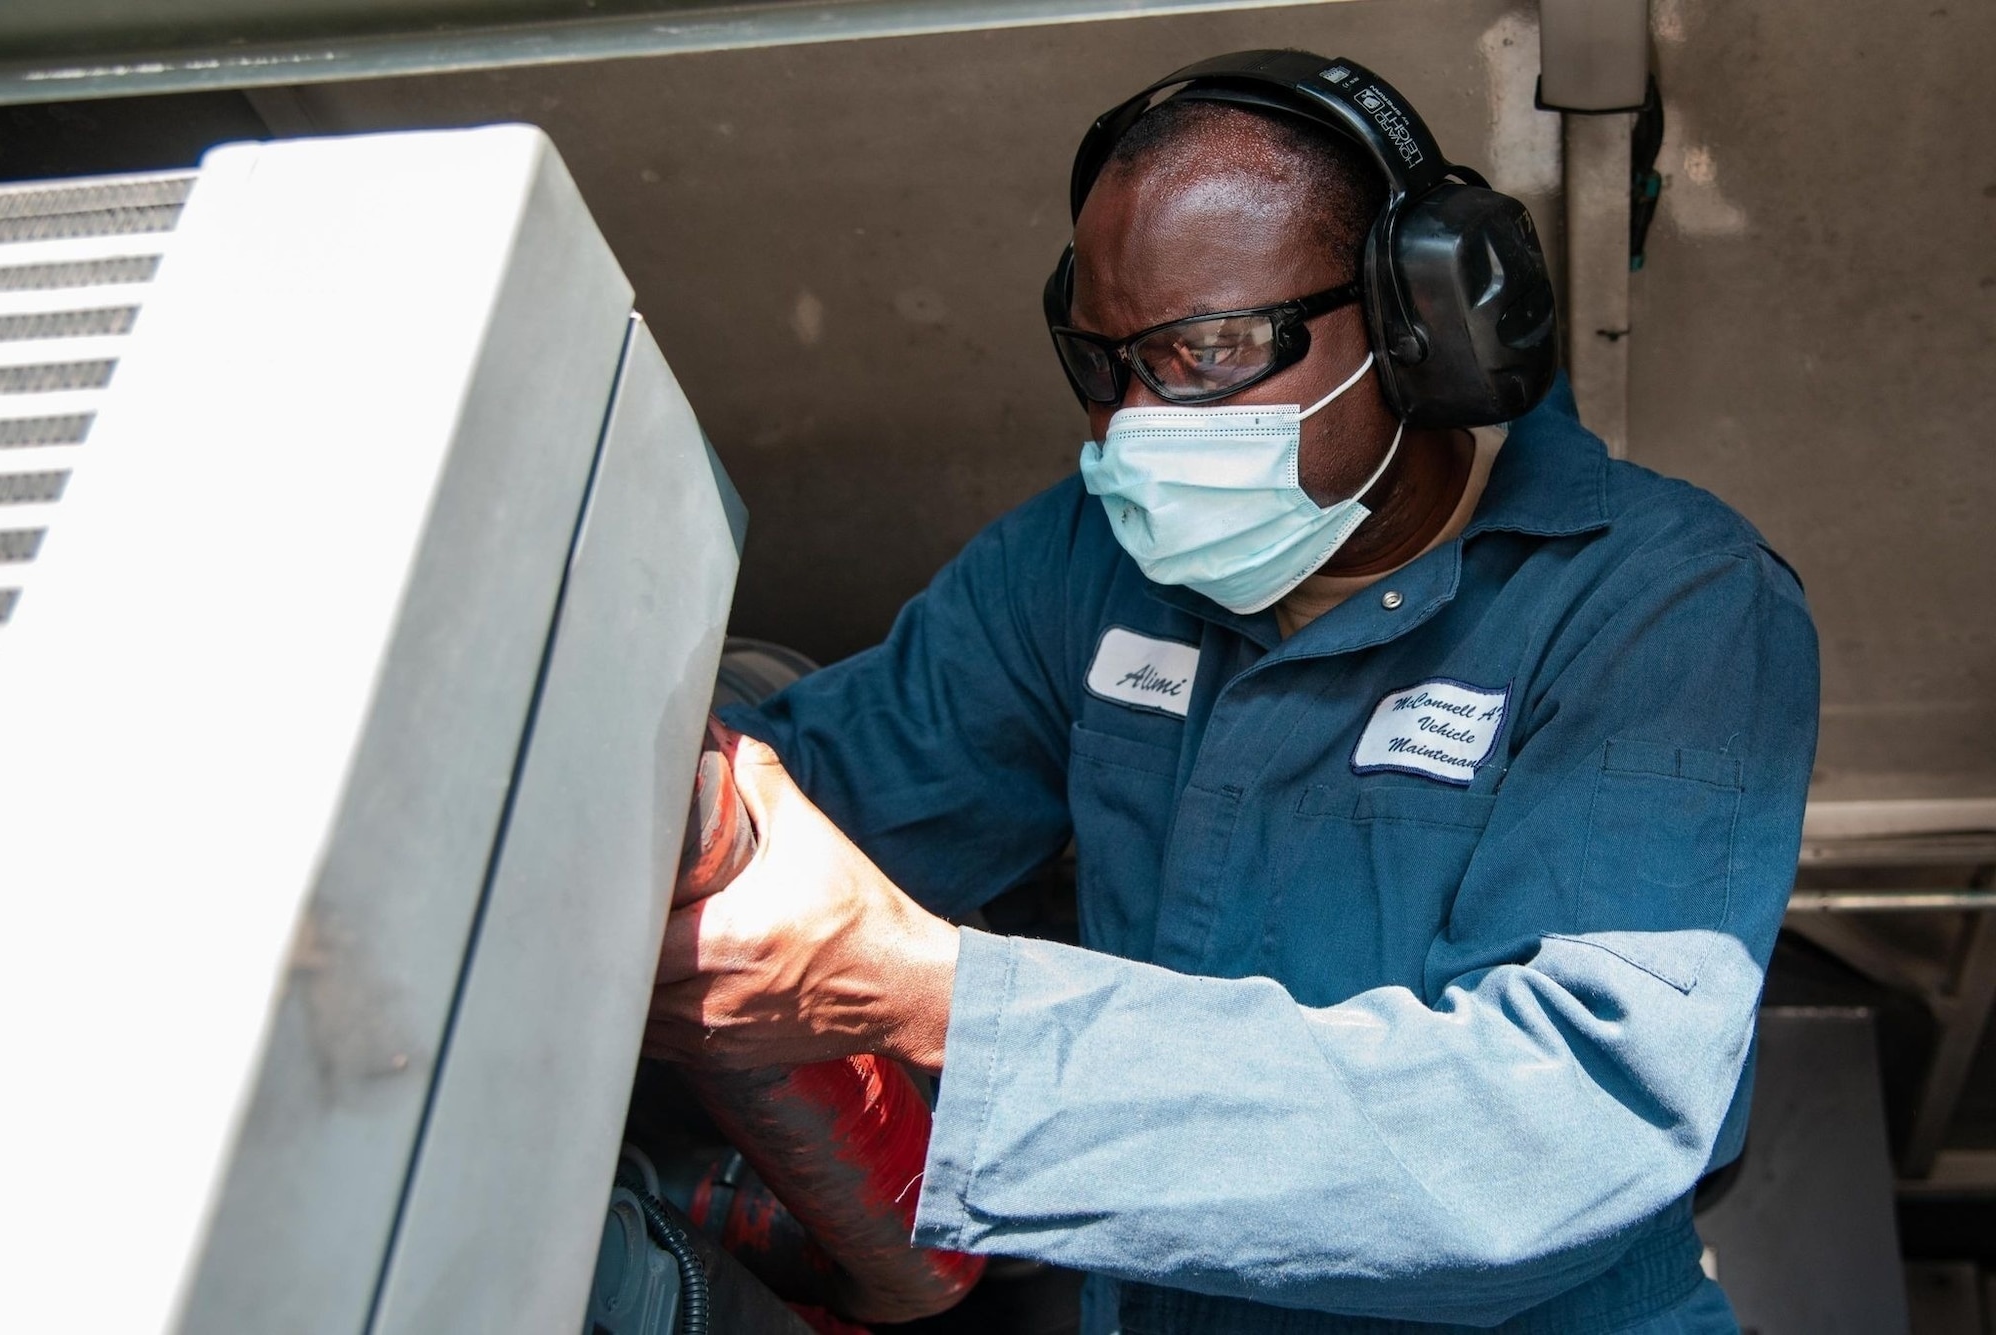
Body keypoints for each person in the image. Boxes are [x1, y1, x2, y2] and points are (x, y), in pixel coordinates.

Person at [645, 50, 1818, 1335]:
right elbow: (832, 795)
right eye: (1105, 364)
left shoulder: (1659, 603)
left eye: (1210, 350)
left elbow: (1552, 1126)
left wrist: (939, 999)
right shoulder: (1086, 566)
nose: (1136, 427)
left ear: (1424, 324)